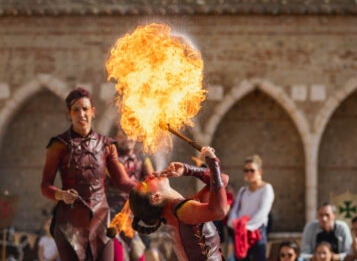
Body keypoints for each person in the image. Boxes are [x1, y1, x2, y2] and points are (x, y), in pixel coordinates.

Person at [41, 87, 136, 261]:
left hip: (101, 222)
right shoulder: (58, 145)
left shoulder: (108, 145)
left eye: (85, 109)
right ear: (69, 114)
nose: (81, 114)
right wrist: (61, 195)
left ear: (93, 112)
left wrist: (146, 186)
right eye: (75, 110)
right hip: (69, 225)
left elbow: (123, 182)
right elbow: (45, 186)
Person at [129, 146, 229, 261]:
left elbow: (223, 180)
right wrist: (212, 162)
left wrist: (188, 169)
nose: (150, 176)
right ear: (156, 197)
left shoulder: (176, 210)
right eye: (146, 183)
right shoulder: (181, 210)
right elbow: (220, 210)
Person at [105, 129, 153, 261]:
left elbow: (152, 180)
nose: (128, 138)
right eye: (123, 135)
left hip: (131, 214)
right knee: (119, 254)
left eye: (130, 134)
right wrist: (145, 188)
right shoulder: (111, 157)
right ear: (116, 137)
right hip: (111, 214)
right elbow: (123, 181)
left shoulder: (142, 159)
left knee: (138, 253)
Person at [227, 154, 274, 261]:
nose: (248, 173)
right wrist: (235, 224)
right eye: (246, 170)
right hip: (240, 235)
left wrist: (245, 226)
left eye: (252, 170)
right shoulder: (243, 190)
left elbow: (262, 213)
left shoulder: (267, 189)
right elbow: (234, 211)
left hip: (257, 233)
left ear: (260, 171)